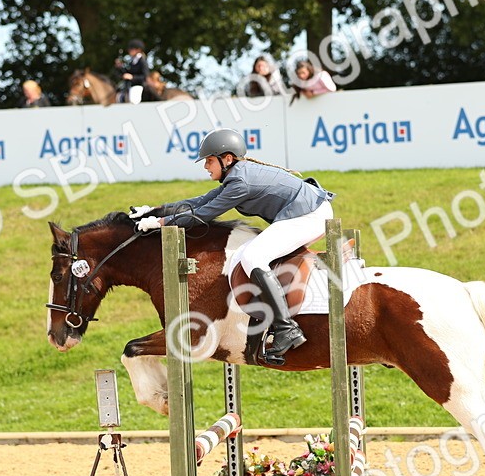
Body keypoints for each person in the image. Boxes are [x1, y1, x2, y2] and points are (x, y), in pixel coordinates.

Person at [132, 128, 335, 363]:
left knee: (253, 257)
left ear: (227, 159)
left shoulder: (240, 182)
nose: (205, 167)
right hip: (304, 211)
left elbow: (203, 214)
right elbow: (199, 201)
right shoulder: (236, 176)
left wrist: (161, 223)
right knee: (246, 255)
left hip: (309, 215)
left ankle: (286, 328)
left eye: (209, 161)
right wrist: (154, 210)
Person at [113, 38, 150, 103]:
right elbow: (128, 73)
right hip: (129, 85)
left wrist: (132, 77)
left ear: (138, 50)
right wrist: (120, 67)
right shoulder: (132, 61)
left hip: (139, 85)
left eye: (131, 49)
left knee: (133, 99)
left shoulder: (142, 61)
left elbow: (145, 76)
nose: (129, 51)